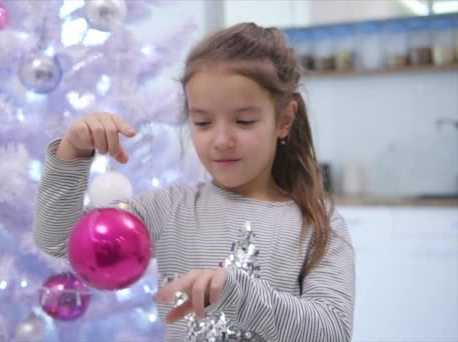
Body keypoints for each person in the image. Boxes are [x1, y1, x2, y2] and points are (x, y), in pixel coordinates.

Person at [34, 22, 355, 342]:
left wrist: (236, 292)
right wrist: (72, 154)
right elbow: (61, 242)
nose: (221, 140)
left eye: (244, 121)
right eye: (203, 122)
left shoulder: (317, 224)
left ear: (284, 120)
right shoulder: (169, 210)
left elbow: (333, 332)